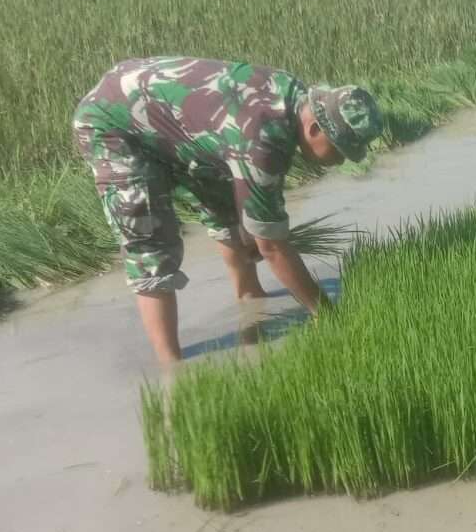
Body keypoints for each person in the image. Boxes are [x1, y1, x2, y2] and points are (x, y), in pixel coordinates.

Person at [73, 56, 384, 365]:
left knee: (229, 212)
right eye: (339, 150)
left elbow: (255, 221)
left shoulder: (291, 95)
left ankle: (251, 299)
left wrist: (258, 229)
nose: (340, 161)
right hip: (113, 125)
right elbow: (272, 247)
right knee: (151, 243)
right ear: (315, 128)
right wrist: (326, 313)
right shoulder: (264, 138)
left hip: (176, 125)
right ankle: (172, 368)